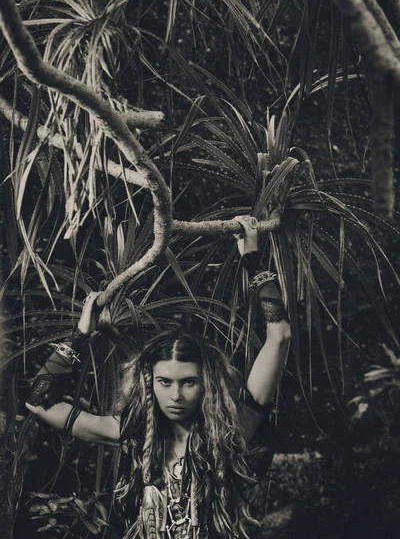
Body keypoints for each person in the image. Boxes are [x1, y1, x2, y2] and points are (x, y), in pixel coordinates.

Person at [26, 216, 291, 539]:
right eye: (165, 382)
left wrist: (252, 259)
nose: (176, 394)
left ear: (207, 384)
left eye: (188, 382)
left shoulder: (236, 427)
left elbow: (279, 335)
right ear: (149, 382)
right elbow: (39, 403)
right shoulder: (133, 434)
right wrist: (80, 335)